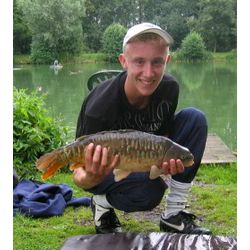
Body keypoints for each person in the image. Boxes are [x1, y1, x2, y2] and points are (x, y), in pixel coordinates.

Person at [73, 22, 211, 235]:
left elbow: (162, 137)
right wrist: (91, 177)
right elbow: (79, 174)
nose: (149, 73)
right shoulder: (99, 107)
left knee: (195, 118)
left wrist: (161, 165)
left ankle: (174, 215)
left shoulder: (169, 88)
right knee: (149, 192)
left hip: (142, 158)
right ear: (124, 62)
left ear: (167, 61)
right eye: (139, 62)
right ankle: (102, 204)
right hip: (102, 173)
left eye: (157, 62)